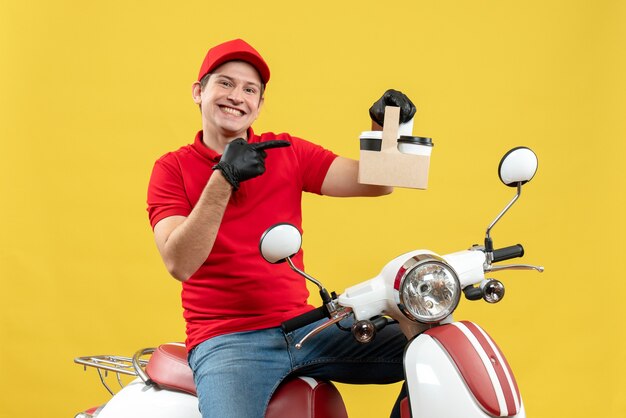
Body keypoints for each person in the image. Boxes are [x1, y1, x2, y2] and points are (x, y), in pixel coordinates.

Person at [147, 38, 416, 418]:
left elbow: (378, 183)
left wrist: (387, 125)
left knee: (431, 350)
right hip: (228, 342)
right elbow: (180, 262)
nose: (236, 96)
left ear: (259, 105)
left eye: (249, 89)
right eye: (224, 83)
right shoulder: (171, 169)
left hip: (306, 329)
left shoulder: (286, 151)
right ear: (199, 92)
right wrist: (223, 177)